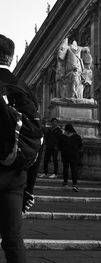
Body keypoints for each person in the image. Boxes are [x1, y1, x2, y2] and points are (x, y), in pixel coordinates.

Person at [0, 33, 36, 263]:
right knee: (13, 239)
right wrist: (29, 188)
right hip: (16, 175)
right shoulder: (23, 87)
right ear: (11, 58)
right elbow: (36, 138)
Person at [58, 124, 82, 192]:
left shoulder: (62, 137)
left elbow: (59, 145)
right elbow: (80, 146)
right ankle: (75, 184)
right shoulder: (77, 137)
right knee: (74, 169)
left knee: (65, 168)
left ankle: (65, 182)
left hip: (65, 154)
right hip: (74, 155)